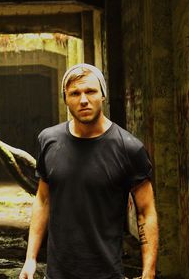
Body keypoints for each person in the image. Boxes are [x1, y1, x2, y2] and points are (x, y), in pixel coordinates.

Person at [19, 63, 158, 279]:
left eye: (91, 91)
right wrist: (30, 259)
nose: (83, 100)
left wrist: (148, 272)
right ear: (65, 99)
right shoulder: (48, 140)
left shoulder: (129, 148)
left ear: (102, 95)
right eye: (75, 93)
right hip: (58, 273)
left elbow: (145, 212)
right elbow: (43, 200)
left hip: (106, 273)